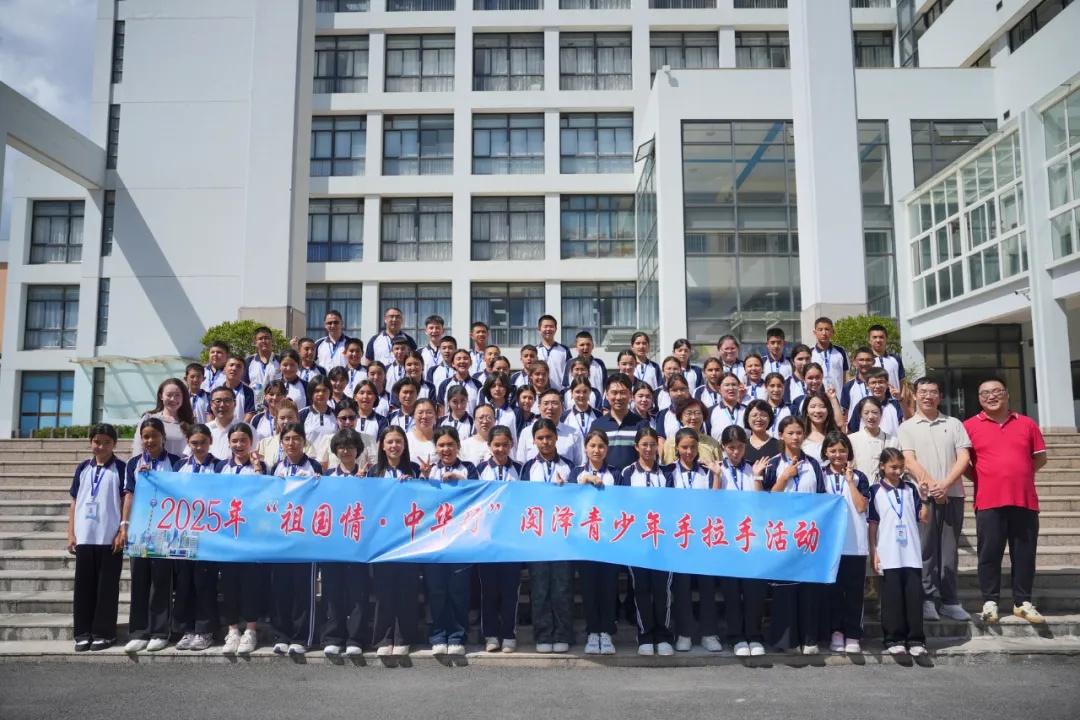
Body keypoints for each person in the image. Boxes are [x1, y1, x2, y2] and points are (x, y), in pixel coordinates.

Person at [963, 379, 1046, 624]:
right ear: (979, 399)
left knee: (1024, 554)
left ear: (1007, 394)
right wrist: (986, 477)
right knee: (989, 553)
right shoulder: (969, 426)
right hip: (988, 500)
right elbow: (964, 464)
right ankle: (990, 601)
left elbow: (1040, 458)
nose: (991, 396)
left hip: (1024, 500)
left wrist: (1019, 473)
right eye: (985, 393)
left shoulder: (1027, 423)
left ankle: (1023, 603)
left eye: (996, 391)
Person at [898, 377, 973, 623]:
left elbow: (964, 458)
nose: (928, 396)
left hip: (953, 494)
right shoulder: (907, 427)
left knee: (949, 551)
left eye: (933, 392)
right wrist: (932, 486)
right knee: (925, 549)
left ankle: (950, 600)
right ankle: (927, 599)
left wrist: (945, 485)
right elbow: (909, 461)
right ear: (914, 395)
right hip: (923, 498)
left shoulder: (954, 424)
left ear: (940, 396)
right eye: (923, 391)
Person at [763, 417, 826, 654]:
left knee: (808, 587)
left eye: (799, 432)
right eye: (790, 433)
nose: (796, 437)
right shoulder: (773, 463)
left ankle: (809, 639)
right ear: (781, 435)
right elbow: (767, 499)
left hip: (808, 533)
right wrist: (785, 476)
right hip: (783, 533)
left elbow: (821, 497)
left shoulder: (814, 464)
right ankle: (786, 641)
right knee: (785, 587)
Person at [708, 426, 768, 656]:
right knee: (731, 591)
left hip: (752, 539)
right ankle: (736, 637)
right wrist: (716, 476)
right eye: (731, 447)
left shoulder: (754, 468)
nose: (735, 452)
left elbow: (761, 504)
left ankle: (754, 635)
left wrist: (758, 477)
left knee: (754, 591)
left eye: (740, 447)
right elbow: (712, 504)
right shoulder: (717, 469)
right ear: (723, 447)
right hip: (727, 540)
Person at [123, 418, 182, 653]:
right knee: (139, 581)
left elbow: (180, 494)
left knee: (161, 582)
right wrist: (124, 525)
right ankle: (139, 632)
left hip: (165, 531)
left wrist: (157, 477)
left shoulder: (176, 462)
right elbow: (129, 495)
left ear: (163, 437)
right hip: (140, 529)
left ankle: (159, 632)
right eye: (145, 437)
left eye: (154, 436)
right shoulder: (133, 463)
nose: (150, 441)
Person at [68, 423, 127, 652]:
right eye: (97, 442)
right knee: (83, 588)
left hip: (109, 538)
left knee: (107, 588)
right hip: (84, 536)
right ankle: (83, 633)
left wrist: (121, 531)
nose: (101, 446)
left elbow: (125, 501)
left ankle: (104, 633)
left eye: (107, 442)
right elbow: (74, 501)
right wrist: (71, 533)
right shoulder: (83, 467)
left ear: (114, 444)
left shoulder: (121, 468)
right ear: (90, 442)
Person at [869, 447, 931, 657]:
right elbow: (873, 524)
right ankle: (893, 639)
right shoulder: (874, 491)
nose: (898, 471)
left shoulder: (911, 489)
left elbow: (923, 517)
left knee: (913, 596)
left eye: (901, 467)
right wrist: (874, 551)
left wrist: (925, 498)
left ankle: (915, 639)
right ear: (882, 466)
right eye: (893, 467)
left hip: (911, 552)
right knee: (892, 597)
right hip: (888, 551)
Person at [619, 427, 675, 656]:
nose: (649, 449)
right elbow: (623, 505)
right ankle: (645, 635)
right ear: (636, 447)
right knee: (641, 588)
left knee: (662, 590)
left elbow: (673, 505)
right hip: (637, 541)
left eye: (652, 444)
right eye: (644, 444)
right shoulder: (627, 473)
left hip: (663, 541)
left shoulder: (667, 473)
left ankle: (663, 635)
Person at [521, 419, 575, 653]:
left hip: (563, 537)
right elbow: (522, 501)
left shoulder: (569, 466)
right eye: (540, 438)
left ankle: (563, 633)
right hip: (537, 537)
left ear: (556, 438)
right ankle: (543, 634)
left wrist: (565, 492)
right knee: (540, 587)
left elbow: (578, 501)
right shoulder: (527, 468)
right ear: (534, 440)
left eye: (549, 437)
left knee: (562, 587)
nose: (545, 442)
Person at [368, 426, 423, 658]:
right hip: (382, 540)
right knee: (384, 591)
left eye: (398, 441)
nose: (394, 446)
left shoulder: (415, 469)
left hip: (408, 539)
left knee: (406, 589)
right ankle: (384, 637)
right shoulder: (373, 472)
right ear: (382, 445)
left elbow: (424, 500)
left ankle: (403, 638)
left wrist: (418, 483)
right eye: (390, 442)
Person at [665, 427, 721, 652]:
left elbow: (716, 501)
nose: (689, 451)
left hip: (703, 536)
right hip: (679, 538)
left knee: (707, 585)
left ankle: (709, 633)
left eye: (693, 447)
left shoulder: (707, 471)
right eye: (684, 447)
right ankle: (684, 632)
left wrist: (717, 475)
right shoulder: (669, 472)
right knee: (682, 586)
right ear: (677, 448)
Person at [217, 423, 269, 656]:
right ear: (229, 442)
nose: (239, 445)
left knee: (250, 583)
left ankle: (250, 630)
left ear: (251, 442)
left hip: (252, 535)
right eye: (235, 441)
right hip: (227, 535)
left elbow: (264, 493)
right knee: (229, 584)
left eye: (243, 440)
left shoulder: (261, 466)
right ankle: (232, 630)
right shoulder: (221, 467)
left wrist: (257, 467)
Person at [269, 423, 322, 656]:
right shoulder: (276, 467)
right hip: (280, 537)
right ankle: (282, 635)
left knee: (303, 589)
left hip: (305, 538)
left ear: (304, 441)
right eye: (287, 439)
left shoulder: (314, 466)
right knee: (281, 588)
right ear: (281, 443)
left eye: (296, 438)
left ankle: (302, 637)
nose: (292, 443)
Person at [568, 430, 620, 655]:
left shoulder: (616, 473)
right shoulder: (576, 472)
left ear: (607, 449)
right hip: (585, 540)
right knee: (588, 588)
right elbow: (571, 499)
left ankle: (607, 632)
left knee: (608, 587)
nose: (596, 450)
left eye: (601, 446)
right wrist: (585, 480)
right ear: (585, 448)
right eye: (592, 446)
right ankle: (593, 632)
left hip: (610, 540)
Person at [319, 428, 370, 657]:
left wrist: (363, 485)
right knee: (332, 590)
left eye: (350, 447)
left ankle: (356, 638)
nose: (346, 451)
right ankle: (333, 637)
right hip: (333, 544)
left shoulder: (369, 476)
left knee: (358, 592)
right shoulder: (327, 477)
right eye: (341, 447)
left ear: (358, 449)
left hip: (359, 544)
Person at [820, 431, 871, 654]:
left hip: (854, 542)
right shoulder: (820, 474)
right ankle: (835, 631)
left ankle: (853, 633)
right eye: (833, 450)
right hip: (829, 544)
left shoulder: (859, 476)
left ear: (849, 452)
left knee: (854, 592)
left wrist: (849, 481)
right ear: (826, 452)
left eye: (842, 450)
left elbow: (861, 506)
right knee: (832, 591)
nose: (838, 455)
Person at [170, 424, 219, 652]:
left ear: (210, 441)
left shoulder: (220, 466)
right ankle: (187, 629)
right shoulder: (179, 466)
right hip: (183, 533)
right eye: (194, 443)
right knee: (184, 584)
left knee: (204, 583)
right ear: (188, 443)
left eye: (203, 442)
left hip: (210, 534)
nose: (199, 447)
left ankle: (205, 630)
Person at [476, 425, 523, 652]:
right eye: (496, 445)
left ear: (512, 445)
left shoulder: (521, 469)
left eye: (505, 445)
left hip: (513, 540)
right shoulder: (479, 470)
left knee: (510, 589)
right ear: (489, 446)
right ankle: (491, 634)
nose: (501, 449)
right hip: (487, 540)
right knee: (489, 590)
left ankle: (509, 633)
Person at [513, 389, 584, 466]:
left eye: (555, 403)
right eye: (546, 403)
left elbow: (580, 465)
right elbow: (521, 463)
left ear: (562, 407)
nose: (550, 407)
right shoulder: (526, 432)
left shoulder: (574, 434)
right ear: (539, 407)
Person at [130, 378, 193, 457]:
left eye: (177, 395)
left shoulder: (190, 422)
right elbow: (138, 446)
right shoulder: (149, 418)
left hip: (181, 464)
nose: (173, 399)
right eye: (169, 395)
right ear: (161, 396)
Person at [315, 398, 376, 472]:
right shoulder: (328, 439)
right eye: (343, 418)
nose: (348, 422)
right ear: (336, 419)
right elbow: (321, 467)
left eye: (351, 418)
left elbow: (374, 468)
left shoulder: (368, 439)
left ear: (357, 417)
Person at [254, 398, 316, 468]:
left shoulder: (306, 445)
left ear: (297, 419)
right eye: (282, 418)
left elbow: (311, 468)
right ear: (276, 420)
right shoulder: (264, 444)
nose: (286, 421)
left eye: (290, 417)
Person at [849, 396, 900, 479]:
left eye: (875, 412)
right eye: (866, 413)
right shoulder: (851, 440)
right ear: (860, 415)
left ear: (881, 413)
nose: (871, 416)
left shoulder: (893, 441)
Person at [660, 399, 720, 465]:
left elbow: (719, 466)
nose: (693, 417)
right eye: (688, 413)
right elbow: (669, 467)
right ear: (681, 418)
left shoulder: (712, 442)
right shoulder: (672, 442)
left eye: (697, 413)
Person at [848, 368, 904, 436]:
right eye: (873, 383)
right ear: (867, 385)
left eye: (881, 382)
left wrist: (900, 399)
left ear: (887, 384)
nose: (877, 386)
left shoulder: (895, 405)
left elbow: (908, 421)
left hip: (891, 442)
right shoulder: (861, 405)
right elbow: (852, 430)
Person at [437, 348, 483, 415]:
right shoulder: (445, 384)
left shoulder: (477, 384)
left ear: (471, 362)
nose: (462, 361)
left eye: (465, 358)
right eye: (458, 359)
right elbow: (441, 408)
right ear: (453, 363)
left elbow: (481, 408)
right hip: (449, 421)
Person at [799, 390, 841, 461]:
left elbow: (840, 424)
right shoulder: (800, 437)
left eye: (822, 406)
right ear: (806, 412)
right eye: (813, 407)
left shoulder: (835, 435)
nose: (818, 410)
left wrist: (833, 399)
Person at [810, 317, 848, 392]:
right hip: (817, 396)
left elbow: (844, 376)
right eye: (820, 330)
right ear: (815, 332)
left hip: (837, 395)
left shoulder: (841, 351)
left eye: (827, 329)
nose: (824, 333)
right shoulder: (810, 352)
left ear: (833, 332)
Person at [244, 325, 281, 403]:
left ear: (272, 340)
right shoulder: (249, 361)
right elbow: (244, 384)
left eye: (267, 338)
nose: (264, 341)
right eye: (260, 339)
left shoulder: (280, 360)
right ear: (255, 342)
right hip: (254, 403)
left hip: (275, 402)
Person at [299, 375, 338, 446]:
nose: (321, 394)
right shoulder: (302, 414)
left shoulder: (336, 414)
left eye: (324, 390)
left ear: (330, 392)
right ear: (311, 393)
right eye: (317, 391)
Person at [839, 347, 876, 418]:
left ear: (874, 362)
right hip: (855, 425)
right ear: (854, 362)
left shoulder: (879, 385)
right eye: (861, 360)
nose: (864, 363)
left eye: (868, 360)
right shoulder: (848, 386)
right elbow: (846, 413)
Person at [707, 373, 746, 440]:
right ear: (719, 389)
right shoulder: (710, 412)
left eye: (734, 385)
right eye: (727, 385)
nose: (731, 388)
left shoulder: (747, 410)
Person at [536, 315, 570, 391]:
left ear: (556, 329)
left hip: (560, 393)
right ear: (539, 329)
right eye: (545, 326)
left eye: (551, 326)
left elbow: (570, 373)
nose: (548, 329)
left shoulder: (564, 350)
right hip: (540, 393)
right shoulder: (535, 351)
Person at [742, 399, 781, 465]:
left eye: (763, 415)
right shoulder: (742, 447)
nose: (759, 419)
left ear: (770, 418)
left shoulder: (779, 446)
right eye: (754, 415)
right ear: (747, 419)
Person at [868, 324, 905, 392]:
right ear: (869, 340)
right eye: (875, 337)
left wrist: (901, 397)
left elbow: (902, 382)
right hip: (873, 398)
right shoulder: (866, 361)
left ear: (886, 339)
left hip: (894, 398)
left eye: (881, 337)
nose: (878, 340)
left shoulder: (895, 359)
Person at [405, 398, 439, 464]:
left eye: (429, 412)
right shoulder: (405, 439)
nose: (424, 416)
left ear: (435, 417)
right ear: (413, 416)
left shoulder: (441, 440)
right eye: (420, 412)